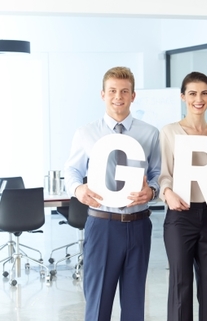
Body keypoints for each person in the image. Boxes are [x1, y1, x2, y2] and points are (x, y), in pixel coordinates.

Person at [64, 66, 161, 321]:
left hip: (139, 225)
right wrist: (78, 188)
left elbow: (158, 174)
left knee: (134, 303)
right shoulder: (86, 133)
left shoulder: (150, 133)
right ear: (103, 94)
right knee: (98, 304)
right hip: (102, 225)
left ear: (133, 95)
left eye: (124, 91)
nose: (118, 96)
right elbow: (72, 170)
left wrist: (151, 191)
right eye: (113, 91)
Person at [158, 72, 207, 321]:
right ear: (183, 97)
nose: (198, 99)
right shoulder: (169, 132)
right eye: (192, 93)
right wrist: (168, 194)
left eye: (203, 93)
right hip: (180, 216)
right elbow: (164, 175)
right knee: (181, 284)